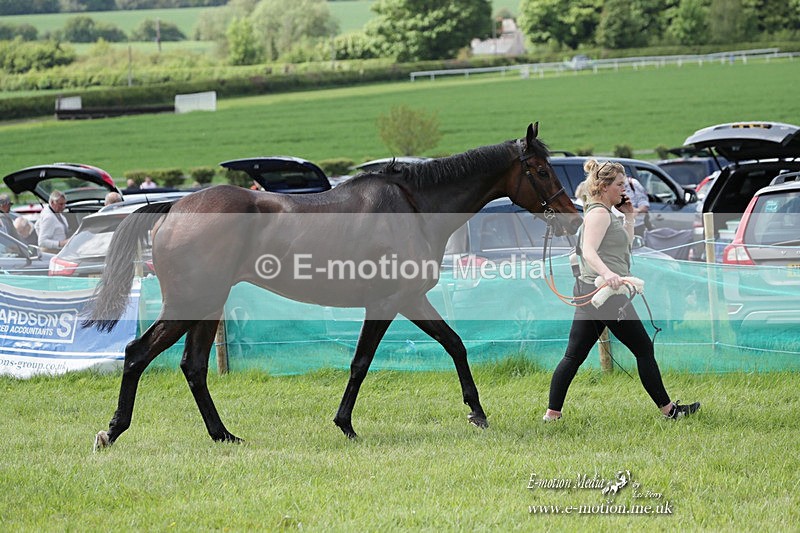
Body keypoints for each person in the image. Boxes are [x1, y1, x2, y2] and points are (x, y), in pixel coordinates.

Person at [543, 159, 700, 422]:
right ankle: (670, 411)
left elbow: (624, 246)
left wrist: (629, 217)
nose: (623, 189)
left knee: (573, 355)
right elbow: (589, 251)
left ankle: (552, 414)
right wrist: (607, 274)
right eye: (619, 184)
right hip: (605, 293)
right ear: (604, 186)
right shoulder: (599, 214)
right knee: (643, 349)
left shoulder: (605, 212)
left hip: (591, 291)